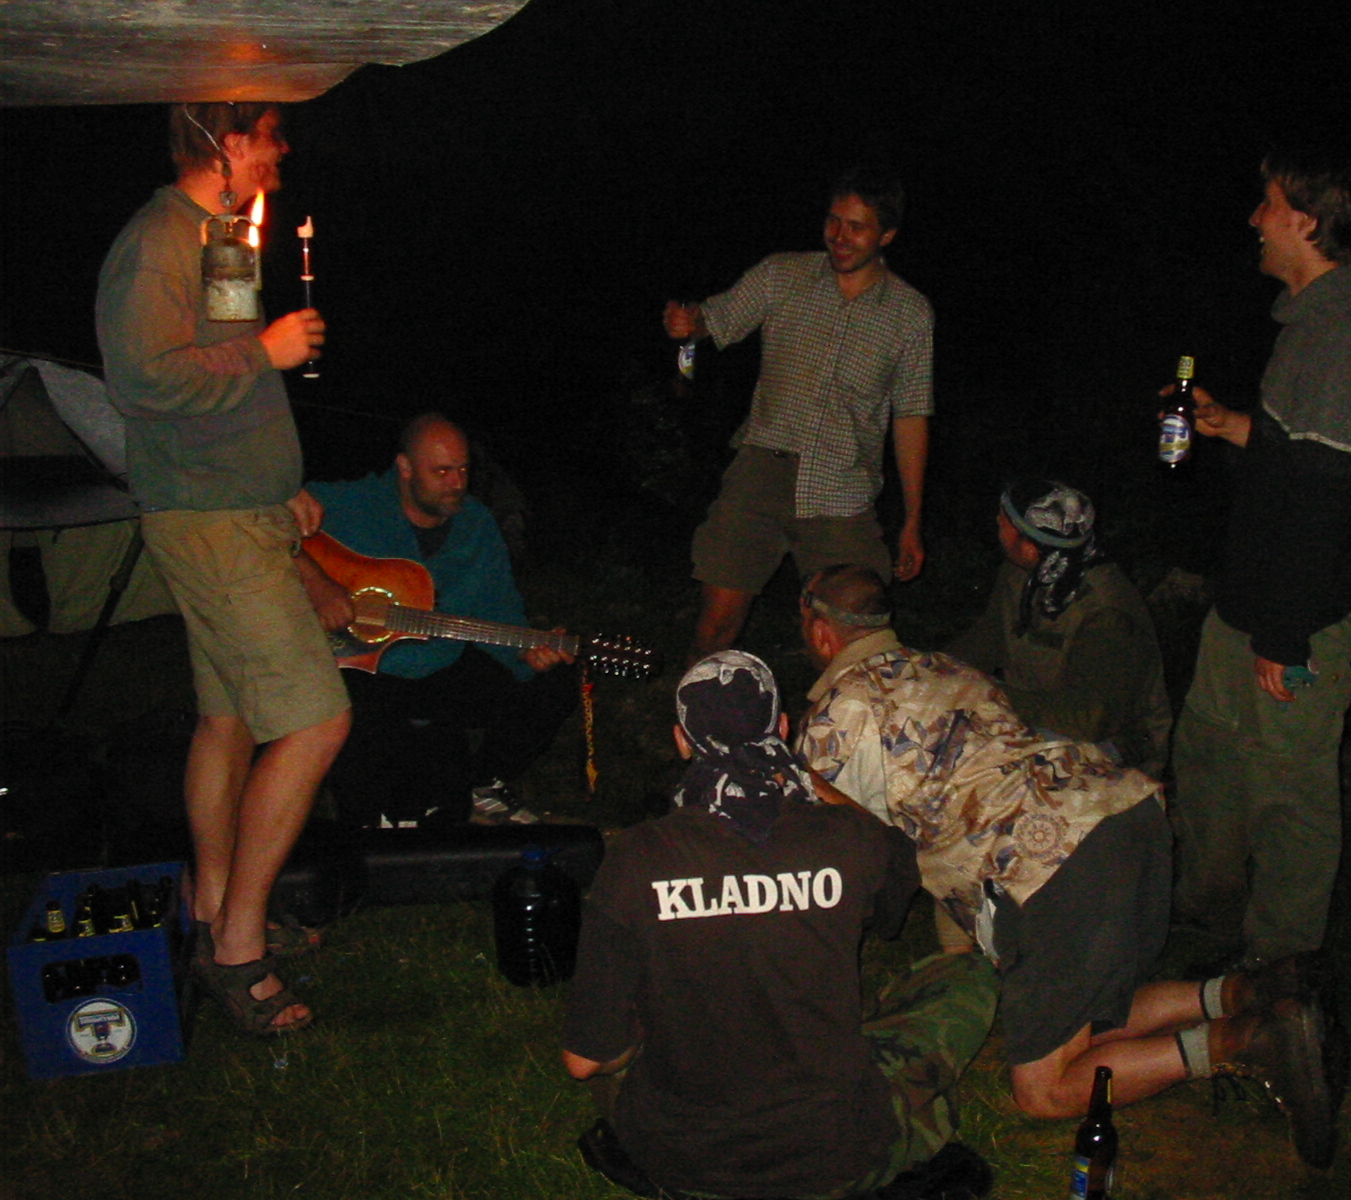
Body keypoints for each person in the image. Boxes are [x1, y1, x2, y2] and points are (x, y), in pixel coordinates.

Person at [796, 566, 1340, 1167]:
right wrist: (965, 955)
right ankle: (1258, 990)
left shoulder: (837, 717)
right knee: (1092, 1019)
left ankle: (1243, 1042)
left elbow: (823, 862)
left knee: (1045, 1089)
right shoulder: (947, 668)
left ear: (821, 632)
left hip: (1055, 866)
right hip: (1125, 814)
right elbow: (955, 804)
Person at [562, 650, 999, 1199]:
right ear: (784, 730)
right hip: (835, 1155)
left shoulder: (636, 859)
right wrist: (807, 781)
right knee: (967, 976)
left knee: (627, 1058)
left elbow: (583, 1062)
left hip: (684, 1162)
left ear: (682, 742)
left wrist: (644, 1030)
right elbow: (897, 872)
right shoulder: (849, 839)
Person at [95, 102, 346, 1036]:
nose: (282, 149)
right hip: (209, 525)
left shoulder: (221, 238)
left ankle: (211, 906)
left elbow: (224, 381)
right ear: (228, 143)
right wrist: (268, 348)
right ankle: (238, 949)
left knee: (229, 719)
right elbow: (143, 380)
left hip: (238, 506)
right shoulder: (156, 244)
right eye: (270, 134)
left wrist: (278, 483)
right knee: (315, 721)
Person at [1169, 148, 1351, 971]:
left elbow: (1326, 506)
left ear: (1305, 222)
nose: (1255, 220)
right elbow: (1299, 458)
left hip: (1305, 608)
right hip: (1259, 593)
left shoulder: (1343, 341)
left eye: (1267, 205)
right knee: (1209, 755)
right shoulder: (1309, 324)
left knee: (1288, 790)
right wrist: (1231, 424)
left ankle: (1279, 972)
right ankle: (1206, 923)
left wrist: (1285, 635)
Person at [664, 166, 933, 660]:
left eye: (857, 227)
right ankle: (696, 706)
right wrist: (689, 322)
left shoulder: (910, 314)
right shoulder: (782, 274)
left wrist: (912, 519)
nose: (839, 236)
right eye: (833, 221)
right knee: (716, 626)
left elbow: (911, 416)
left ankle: (851, 714)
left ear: (887, 235)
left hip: (843, 490)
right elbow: (713, 320)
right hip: (761, 474)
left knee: (857, 645)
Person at [296, 413, 576, 828]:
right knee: (365, 735)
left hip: (440, 663)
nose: (456, 483)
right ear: (405, 467)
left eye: (463, 469)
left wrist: (526, 653)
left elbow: (499, 609)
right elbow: (264, 523)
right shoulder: (350, 503)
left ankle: (483, 784)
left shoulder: (476, 525)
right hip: (359, 668)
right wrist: (318, 586)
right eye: (441, 471)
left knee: (555, 684)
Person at [947, 480, 1171, 779]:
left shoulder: (1107, 614)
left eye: (1004, 523)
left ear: (1029, 548)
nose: (997, 524)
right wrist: (936, 671)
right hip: (1040, 713)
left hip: (1112, 744)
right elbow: (988, 639)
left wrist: (986, 695)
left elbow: (1089, 719)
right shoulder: (1020, 575)